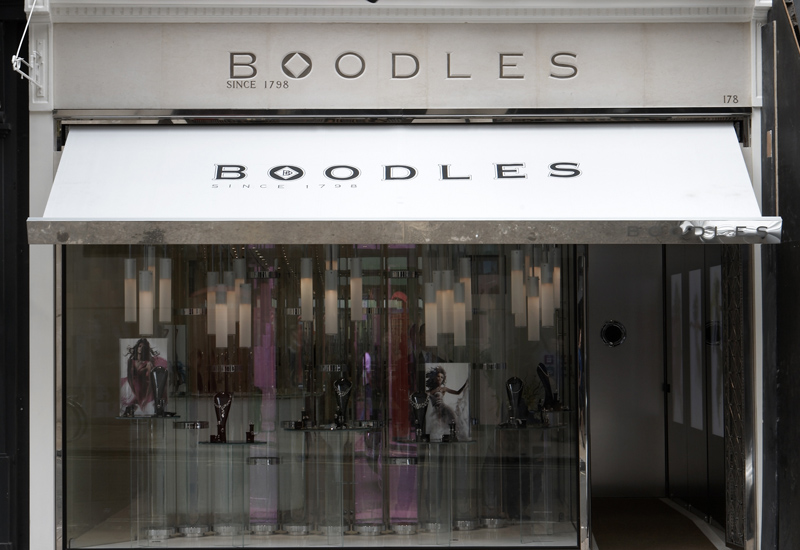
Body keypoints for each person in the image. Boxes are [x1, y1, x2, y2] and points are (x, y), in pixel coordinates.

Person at [425, 365, 468, 439]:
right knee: (439, 428)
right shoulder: (430, 391)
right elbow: (426, 394)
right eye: (438, 376)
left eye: (442, 377)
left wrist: (466, 383)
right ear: (434, 377)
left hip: (445, 409)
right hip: (437, 411)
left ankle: (455, 438)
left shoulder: (443, 389)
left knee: (454, 423)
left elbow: (457, 392)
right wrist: (433, 391)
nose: (440, 378)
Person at [124, 338, 158, 414]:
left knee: (144, 410)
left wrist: (146, 398)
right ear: (137, 347)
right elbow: (129, 378)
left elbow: (150, 381)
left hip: (144, 391)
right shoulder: (130, 362)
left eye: (143, 347)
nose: (140, 348)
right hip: (133, 389)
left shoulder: (147, 363)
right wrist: (134, 392)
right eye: (139, 346)